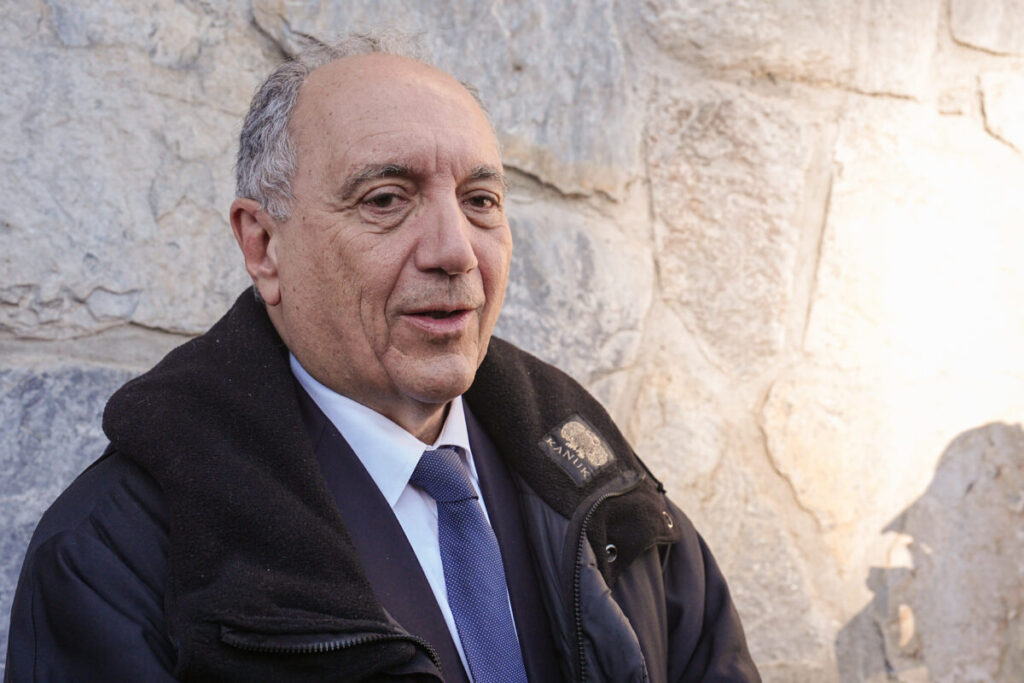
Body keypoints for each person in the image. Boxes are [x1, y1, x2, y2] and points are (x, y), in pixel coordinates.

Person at [4, 34, 760, 682]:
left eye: (480, 200)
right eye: (386, 199)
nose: (454, 250)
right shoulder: (114, 552)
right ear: (263, 245)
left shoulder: (604, 491)